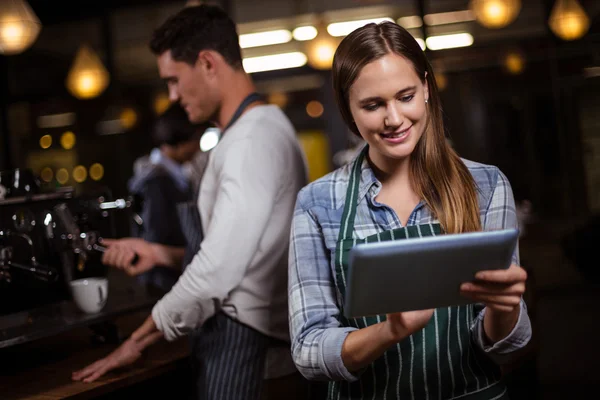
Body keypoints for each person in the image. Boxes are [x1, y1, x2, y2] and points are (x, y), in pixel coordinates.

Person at [72, 5, 308, 400]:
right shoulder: (269, 124)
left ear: (207, 63)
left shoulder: (247, 142)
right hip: (250, 339)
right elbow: (248, 252)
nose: (173, 96)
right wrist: (160, 253)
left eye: (174, 81)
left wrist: (137, 340)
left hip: (246, 345)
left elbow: (217, 273)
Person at [288, 22, 532, 399]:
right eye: (373, 105)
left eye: (405, 96)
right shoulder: (318, 203)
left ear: (426, 90)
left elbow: (507, 347)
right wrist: (389, 332)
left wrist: (505, 309)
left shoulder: (486, 187)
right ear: (348, 111)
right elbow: (308, 350)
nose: (394, 119)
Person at [128, 102, 210, 292]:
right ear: (180, 141)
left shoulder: (172, 176)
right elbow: (158, 238)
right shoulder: (156, 182)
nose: (198, 146)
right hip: (164, 284)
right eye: (196, 138)